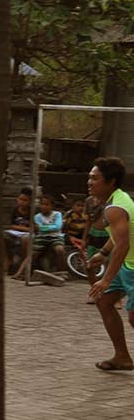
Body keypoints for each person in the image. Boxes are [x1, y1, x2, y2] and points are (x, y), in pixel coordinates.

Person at [86, 157, 134, 371]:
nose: (89, 182)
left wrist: (105, 279)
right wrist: (103, 253)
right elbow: (118, 237)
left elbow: (123, 245)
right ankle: (122, 357)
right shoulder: (115, 200)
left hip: (131, 266)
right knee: (104, 301)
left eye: (95, 178)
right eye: (89, 178)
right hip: (127, 265)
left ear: (111, 181)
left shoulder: (115, 207)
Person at [16, 194, 67, 280]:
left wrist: (43, 228)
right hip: (42, 237)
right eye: (42, 204)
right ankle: (21, 272)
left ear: (52, 206)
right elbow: (40, 228)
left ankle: (62, 271)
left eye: (47, 204)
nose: (44, 207)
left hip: (56, 237)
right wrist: (49, 227)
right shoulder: (37, 216)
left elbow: (57, 226)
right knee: (32, 254)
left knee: (60, 250)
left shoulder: (57, 214)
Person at [5, 187, 33, 275]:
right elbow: (12, 225)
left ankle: (22, 266)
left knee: (25, 240)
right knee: (3, 236)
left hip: (28, 235)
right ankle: (7, 262)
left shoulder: (32, 211)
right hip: (15, 233)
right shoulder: (15, 210)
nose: (22, 202)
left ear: (30, 202)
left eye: (25, 200)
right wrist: (23, 228)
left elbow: (33, 228)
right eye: (20, 199)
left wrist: (22, 228)